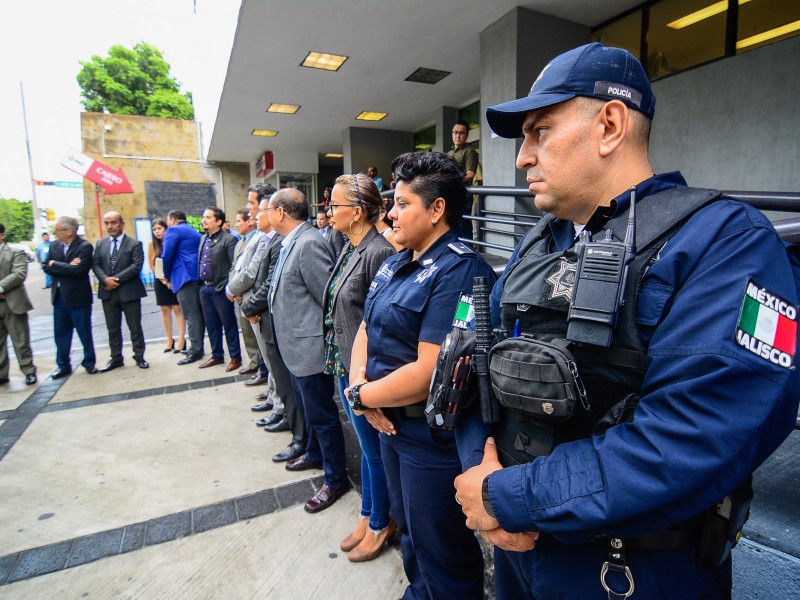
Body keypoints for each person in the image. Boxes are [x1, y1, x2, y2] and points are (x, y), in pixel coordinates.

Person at [453, 43, 800, 600]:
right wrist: (483, 476)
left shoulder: (726, 244)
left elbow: (700, 433)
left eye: (539, 130)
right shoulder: (536, 244)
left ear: (609, 124)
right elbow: (472, 365)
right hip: (520, 544)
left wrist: (510, 498)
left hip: (633, 570)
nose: (522, 157)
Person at [346, 151, 496, 598]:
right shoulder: (396, 261)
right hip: (389, 425)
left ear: (436, 210)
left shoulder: (461, 270)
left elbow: (433, 369)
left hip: (429, 439)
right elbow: (365, 330)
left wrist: (362, 398)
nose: (391, 212)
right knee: (409, 534)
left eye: (403, 203)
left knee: (441, 551)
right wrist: (361, 389)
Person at [323, 174, 396, 561]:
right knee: (368, 452)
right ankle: (368, 513)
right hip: (342, 362)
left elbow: (379, 326)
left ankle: (381, 521)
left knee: (373, 452)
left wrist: (366, 381)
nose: (329, 211)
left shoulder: (378, 252)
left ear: (357, 212)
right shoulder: (350, 246)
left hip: (362, 372)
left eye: (335, 205)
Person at [267, 187, 349, 513]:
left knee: (323, 417)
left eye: (269, 209)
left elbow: (328, 298)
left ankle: (335, 479)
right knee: (311, 412)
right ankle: (315, 455)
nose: (266, 214)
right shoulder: (293, 241)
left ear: (281, 212)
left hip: (310, 350)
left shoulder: (309, 243)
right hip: (295, 349)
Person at [241, 195, 306, 458]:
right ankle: (295, 429)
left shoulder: (294, 242)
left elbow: (271, 284)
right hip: (271, 319)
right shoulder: (278, 240)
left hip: (284, 325)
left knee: (292, 387)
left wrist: (249, 306)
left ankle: (300, 436)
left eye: (263, 209)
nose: (257, 213)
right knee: (282, 381)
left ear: (280, 212)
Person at [92, 211, 149, 372]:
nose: (110, 226)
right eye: (107, 223)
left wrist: (114, 280)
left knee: (135, 327)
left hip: (129, 292)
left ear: (122, 223)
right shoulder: (101, 244)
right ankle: (116, 358)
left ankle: (139, 356)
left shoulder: (134, 244)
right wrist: (105, 279)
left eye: (114, 222)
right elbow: (95, 264)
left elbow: (136, 265)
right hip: (108, 293)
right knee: (112, 328)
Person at [43, 216, 98, 378]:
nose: (54, 233)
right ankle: (63, 365)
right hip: (59, 297)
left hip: (78, 298)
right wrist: (63, 265)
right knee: (61, 333)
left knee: (84, 332)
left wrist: (56, 264)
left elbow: (79, 270)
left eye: (57, 230)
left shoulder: (84, 246)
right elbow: (45, 266)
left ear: (69, 232)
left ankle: (89, 362)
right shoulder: (54, 245)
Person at [197, 206, 240, 371]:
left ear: (219, 221)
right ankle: (217, 355)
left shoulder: (229, 240)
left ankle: (235, 357)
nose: (204, 220)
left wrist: (229, 287)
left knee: (228, 324)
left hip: (220, 289)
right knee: (211, 324)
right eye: (204, 217)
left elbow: (233, 266)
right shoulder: (203, 239)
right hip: (205, 289)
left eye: (208, 217)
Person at [226, 207, 265, 376]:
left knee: (259, 337)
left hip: (249, 294)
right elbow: (235, 267)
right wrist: (232, 288)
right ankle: (254, 362)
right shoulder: (240, 242)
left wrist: (235, 288)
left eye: (239, 221)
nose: (236, 224)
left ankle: (261, 368)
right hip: (239, 294)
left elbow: (252, 272)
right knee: (247, 331)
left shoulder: (259, 239)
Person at [162, 210, 205, 364]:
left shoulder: (173, 230)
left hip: (183, 276)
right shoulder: (193, 231)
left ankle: (195, 351)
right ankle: (197, 346)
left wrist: (165, 275)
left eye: (167, 220)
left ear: (172, 220)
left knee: (191, 315)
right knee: (196, 314)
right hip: (195, 275)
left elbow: (167, 255)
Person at [0, 223, 37, 385]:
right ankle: (2, 374)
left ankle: (28, 371)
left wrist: (1, 287)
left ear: (2, 235)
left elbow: (19, 273)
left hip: (12, 303)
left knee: (21, 340)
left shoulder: (16, 252)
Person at [149, 218, 186, 353]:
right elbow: (152, 265)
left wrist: (170, 280)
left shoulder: (172, 241)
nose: (157, 232)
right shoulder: (152, 245)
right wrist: (164, 280)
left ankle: (182, 339)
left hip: (174, 278)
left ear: (166, 229)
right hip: (160, 280)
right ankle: (169, 339)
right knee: (165, 310)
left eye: (159, 228)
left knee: (178, 309)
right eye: (154, 229)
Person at [448, 120, 480, 241]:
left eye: (461, 133)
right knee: (452, 223)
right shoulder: (450, 153)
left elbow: (470, 173)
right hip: (450, 192)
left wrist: (451, 179)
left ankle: (467, 253)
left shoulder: (469, 151)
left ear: (466, 135)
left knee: (463, 223)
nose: (458, 135)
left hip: (463, 193)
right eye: (455, 132)